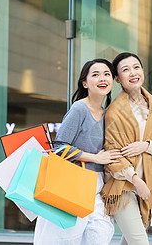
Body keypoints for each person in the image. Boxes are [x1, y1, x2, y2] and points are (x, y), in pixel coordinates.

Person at [34, 58, 122, 245]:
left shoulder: (108, 114)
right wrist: (96, 158)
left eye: (106, 74)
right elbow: (59, 147)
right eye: (95, 74)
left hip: (98, 187)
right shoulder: (79, 108)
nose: (102, 78)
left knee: (99, 236)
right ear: (85, 83)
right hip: (74, 183)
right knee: (67, 239)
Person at [101, 52, 152, 245]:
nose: (133, 73)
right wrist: (136, 181)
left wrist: (147, 146)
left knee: (131, 241)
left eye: (136, 67)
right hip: (123, 188)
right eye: (125, 70)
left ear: (142, 71)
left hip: (149, 184)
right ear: (118, 78)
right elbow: (113, 156)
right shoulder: (114, 112)